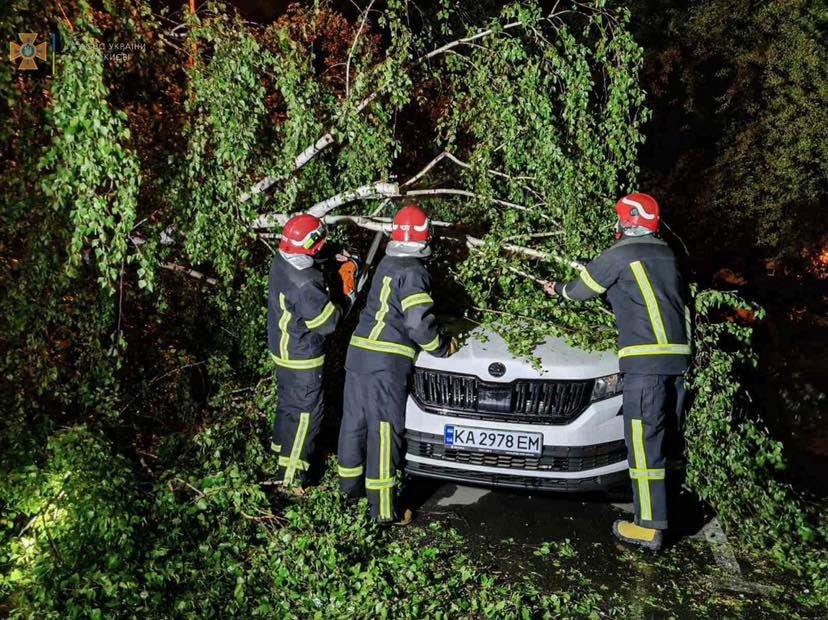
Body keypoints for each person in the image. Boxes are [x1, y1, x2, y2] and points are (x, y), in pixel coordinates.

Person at [546, 193, 691, 550]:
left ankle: (649, 526)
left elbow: (582, 291)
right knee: (668, 441)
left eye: (619, 218)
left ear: (628, 222)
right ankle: (672, 511)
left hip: (646, 362)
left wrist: (558, 289)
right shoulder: (665, 253)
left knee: (643, 443)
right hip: (677, 359)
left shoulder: (622, 253)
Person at [337, 203, 456, 524]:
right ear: (424, 236)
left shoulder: (388, 263)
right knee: (384, 433)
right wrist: (442, 347)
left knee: (353, 424)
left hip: (358, 354)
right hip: (385, 364)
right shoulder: (415, 272)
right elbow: (418, 324)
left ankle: (348, 493)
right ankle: (385, 510)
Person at [267, 213, 357, 491]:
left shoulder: (282, 259)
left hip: (282, 351)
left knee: (288, 408)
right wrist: (346, 295)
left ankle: (280, 458)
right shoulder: (305, 283)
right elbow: (326, 323)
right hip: (302, 357)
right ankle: (291, 480)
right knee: (307, 414)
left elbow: (311, 253)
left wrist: (332, 253)